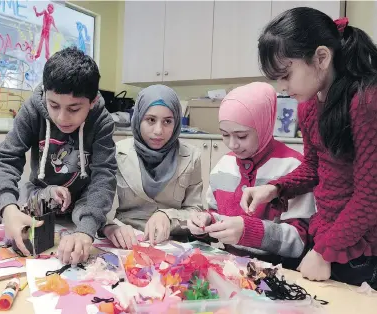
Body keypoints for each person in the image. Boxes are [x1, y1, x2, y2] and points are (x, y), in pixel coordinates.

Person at [241, 7, 377, 287]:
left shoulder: (366, 101)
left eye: (286, 75)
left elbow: (369, 196)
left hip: (362, 246)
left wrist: (323, 251)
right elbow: (315, 167)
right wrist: (276, 188)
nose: (281, 86)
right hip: (330, 237)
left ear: (322, 57)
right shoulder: (308, 107)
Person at [0, 47, 117, 264]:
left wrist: (86, 230)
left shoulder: (102, 121)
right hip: (40, 198)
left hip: (84, 206)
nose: (62, 117)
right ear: (45, 93)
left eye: (74, 109)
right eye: (54, 105)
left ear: (92, 101)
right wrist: (8, 208)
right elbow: (4, 159)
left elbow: (104, 175)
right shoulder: (31, 110)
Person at [187, 82, 316, 266]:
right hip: (229, 267)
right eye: (224, 135)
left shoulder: (294, 168)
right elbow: (216, 213)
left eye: (241, 136)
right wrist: (206, 221)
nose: (232, 144)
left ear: (264, 126)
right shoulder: (224, 165)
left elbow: (300, 241)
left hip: (277, 271)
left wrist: (251, 232)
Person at [101, 85, 203, 248]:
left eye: (167, 121)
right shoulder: (116, 153)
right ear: (138, 118)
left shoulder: (191, 157)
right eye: (151, 120)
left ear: (176, 123)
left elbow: (196, 212)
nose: (158, 131)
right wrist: (110, 227)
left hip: (173, 244)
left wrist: (168, 216)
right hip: (126, 243)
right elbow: (98, 205)